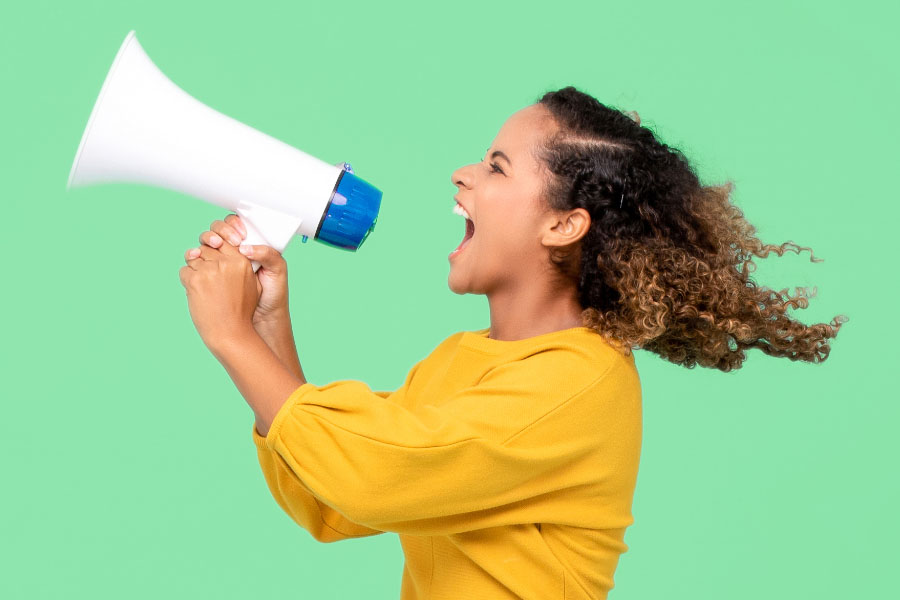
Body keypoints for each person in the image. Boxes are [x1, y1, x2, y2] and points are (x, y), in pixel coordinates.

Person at [179, 86, 848, 599]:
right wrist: (268, 325)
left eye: (496, 167)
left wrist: (232, 336)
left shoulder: (579, 383)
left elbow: (374, 475)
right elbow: (333, 498)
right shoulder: (461, 362)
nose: (461, 174)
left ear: (564, 224)